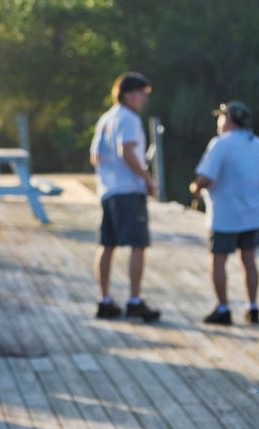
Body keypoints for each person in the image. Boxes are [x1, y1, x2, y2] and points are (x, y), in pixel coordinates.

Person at [190, 101, 259, 325]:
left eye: (221, 117)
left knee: (218, 261)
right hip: (252, 214)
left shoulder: (220, 144)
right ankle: (253, 307)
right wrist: (258, 187)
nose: (219, 121)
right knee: (249, 260)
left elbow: (206, 178)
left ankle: (223, 309)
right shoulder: (258, 143)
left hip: (224, 216)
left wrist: (194, 188)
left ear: (228, 119)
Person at [89, 72, 161, 322]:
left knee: (107, 245)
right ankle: (134, 300)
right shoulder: (129, 119)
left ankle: (104, 299)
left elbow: (94, 156)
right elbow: (127, 151)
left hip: (108, 191)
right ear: (128, 94)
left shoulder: (106, 119)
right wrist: (147, 179)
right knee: (138, 245)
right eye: (142, 93)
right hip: (128, 191)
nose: (144, 99)